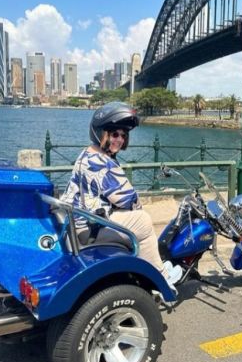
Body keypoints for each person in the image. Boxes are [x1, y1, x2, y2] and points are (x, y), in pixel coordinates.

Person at [61, 101, 182, 289]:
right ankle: (160, 275)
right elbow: (128, 199)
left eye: (123, 135)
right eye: (114, 134)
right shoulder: (102, 163)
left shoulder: (87, 153)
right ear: (101, 132)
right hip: (89, 228)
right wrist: (137, 207)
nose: (119, 139)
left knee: (137, 220)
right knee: (143, 220)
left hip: (77, 222)